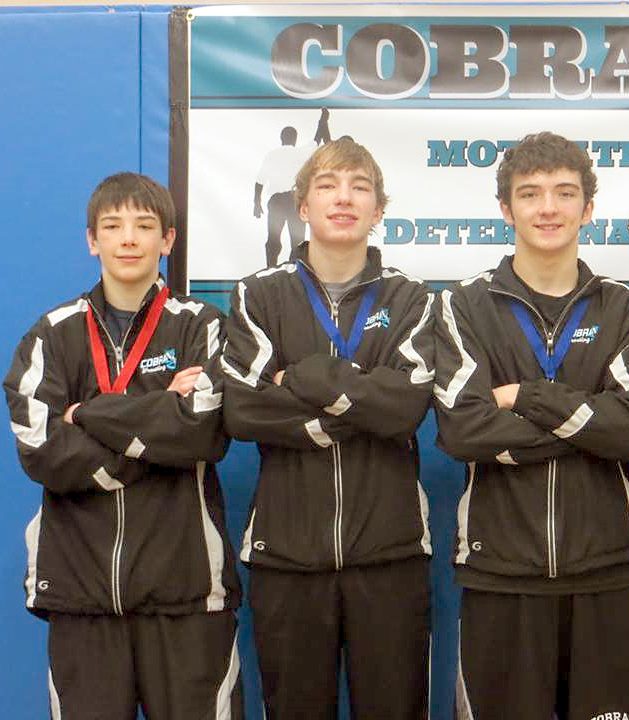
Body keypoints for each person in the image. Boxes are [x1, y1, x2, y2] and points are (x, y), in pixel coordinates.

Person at [433, 131, 629, 720]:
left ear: (589, 208)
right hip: (499, 573)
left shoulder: (627, 310)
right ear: (506, 210)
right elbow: (464, 432)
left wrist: (523, 397)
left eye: (565, 193)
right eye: (530, 194)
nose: (548, 208)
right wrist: (584, 419)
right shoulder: (464, 307)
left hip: (605, 571)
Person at [4, 172, 243, 718]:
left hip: (186, 591)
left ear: (169, 240)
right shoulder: (52, 334)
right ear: (93, 240)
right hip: (79, 593)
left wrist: (86, 414)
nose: (129, 239)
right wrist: (157, 421)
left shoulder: (202, 326)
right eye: (113, 227)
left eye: (144, 226)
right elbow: (42, 449)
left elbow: (202, 430)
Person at [222, 137, 436, 719]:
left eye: (359, 187)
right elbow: (243, 411)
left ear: (378, 209)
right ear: (303, 205)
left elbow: (405, 409)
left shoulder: (411, 299)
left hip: (389, 554)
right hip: (287, 558)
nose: (344, 198)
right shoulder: (257, 296)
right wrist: (358, 400)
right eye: (328, 186)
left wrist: (304, 377)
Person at [254, 125, 314, 266]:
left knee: (273, 240)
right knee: (297, 242)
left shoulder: (272, 155)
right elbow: (317, 140)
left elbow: (259, 180)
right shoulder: (301, 153)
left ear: (281, 138)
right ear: (295, 139)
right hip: (295, 201)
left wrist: (256, 203)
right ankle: (294, 273)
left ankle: (270, 269)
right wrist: (322, 120)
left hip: (277, 202)